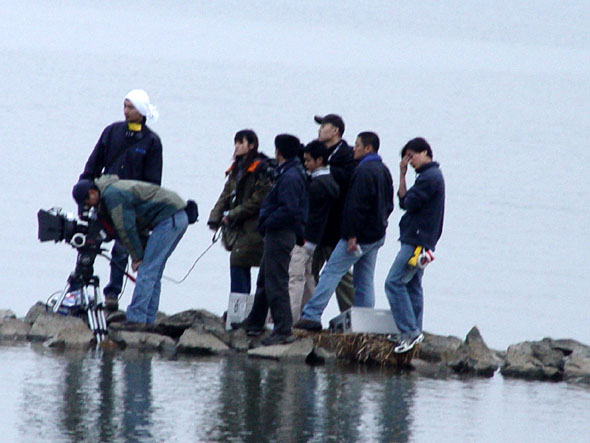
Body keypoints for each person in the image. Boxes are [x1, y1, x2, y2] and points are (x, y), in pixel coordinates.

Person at [294, 132, 393, 330]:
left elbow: (355, 206)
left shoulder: (363, 171)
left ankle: (312, 315)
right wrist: (380, 224)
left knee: (331, 271)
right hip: (376, 235)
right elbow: (389, 204)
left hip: (358, 236)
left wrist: (351, 236)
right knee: (364, 278)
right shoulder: (383, 169)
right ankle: (365, 321)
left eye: (357, 145)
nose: (353, 148)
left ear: (368, 148)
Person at [79, 89, 163, 311]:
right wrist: (83, 196)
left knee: (122, 250)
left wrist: (145, 213)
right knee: (89, 244)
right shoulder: (111, 132)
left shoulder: (152, 142)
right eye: (124, 106)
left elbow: (153, 184)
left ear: (142, 111)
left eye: (131, 107)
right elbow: (92, 166)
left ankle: (112, 295)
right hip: (103, 202)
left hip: (131, 208)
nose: (126, 111)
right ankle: (78, 289)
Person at [72, 175, 193, 329]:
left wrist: (137, 257)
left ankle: (137, 318)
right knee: (153, 272)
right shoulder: (110, 191)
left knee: (147, 270)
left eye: (87, 202)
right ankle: (148, 320)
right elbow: (133, 226)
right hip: (176, 217)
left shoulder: (112, 195)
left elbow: (126, 228)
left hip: (169, 219)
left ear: (92, 192)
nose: (88, 206)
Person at [235, 134, 308, 345]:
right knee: (265, 279)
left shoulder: (292, 176)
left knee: (276, 282)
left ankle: (283, 329)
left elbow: (288, 209)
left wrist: (267, 221)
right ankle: (255, 322)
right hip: (278, 232)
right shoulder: (288, 171)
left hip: (281, 232)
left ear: (279, 151)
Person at [385, 138, 445, 353]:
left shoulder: (429, 177)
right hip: (422, 241)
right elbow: (404, 202)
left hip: (416, 241)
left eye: (412, 156)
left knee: (393, 283)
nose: (409, 161)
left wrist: (405, 180)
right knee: (411, 285)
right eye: (406, 157)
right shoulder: (427, 177)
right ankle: (414, 331)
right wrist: (402, 175)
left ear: (426, 152)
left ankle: (409, 333)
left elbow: (409, 202)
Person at [207, 130, 273, 294]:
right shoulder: (237, 168)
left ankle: (240, 306)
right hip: (240, 227)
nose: (236, 147)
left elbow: (258, 200)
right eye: (235, 143)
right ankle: (241, 306)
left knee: (239, 260)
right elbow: (226, 194)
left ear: (251, 145)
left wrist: (232, 214)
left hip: (256, 226)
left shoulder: (261, 169)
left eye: (240, 143)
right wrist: (214, 218)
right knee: (241, 261)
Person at [288, 140, 339, 322]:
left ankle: (289, 320)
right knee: (308, 276)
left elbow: (302, 210)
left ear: (319, 160)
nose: (306, 164)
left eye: (308, 161)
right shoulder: (330, 182)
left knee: (294, 278)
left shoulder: (316, 185)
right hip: (315, 239)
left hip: (304, 238)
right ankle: (309, 316)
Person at [312, 114, 356, 312]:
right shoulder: (316, 152)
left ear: (335, 131)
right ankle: (306, 314)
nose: (319, 130)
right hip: (315, 226)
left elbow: (343, 185)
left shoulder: (347, 155)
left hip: (336, 226)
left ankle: (353, 317)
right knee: (305, 271)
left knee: (341, 276)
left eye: (323, 126)